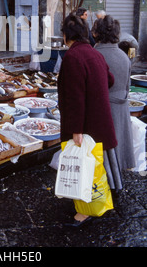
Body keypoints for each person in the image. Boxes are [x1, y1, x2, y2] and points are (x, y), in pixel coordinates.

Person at [58, 13, 118, 227]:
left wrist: (76, 130)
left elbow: (75, 99)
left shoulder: (73, 58)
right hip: (99, 119)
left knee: (85, 167)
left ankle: (85, 210)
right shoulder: (95, 55)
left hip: (85, 125)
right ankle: (92, 200)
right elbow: (110, 80)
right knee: (93, 165)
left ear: (66, 36)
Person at [93, 15, 136, 175]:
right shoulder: (124, 57)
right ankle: (116, 181)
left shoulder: (94, 55)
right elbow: (127, 86)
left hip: (102, 110)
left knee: (101, 154)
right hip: (121, 107)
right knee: (117, 148)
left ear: (96, 33)